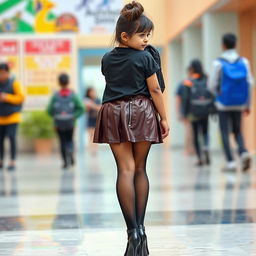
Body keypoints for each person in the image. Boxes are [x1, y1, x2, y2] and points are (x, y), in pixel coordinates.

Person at [93, 1, 169, 255]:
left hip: (113, 113)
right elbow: (155, 89)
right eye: (142, 35)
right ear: (125, 36)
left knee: (124, 170)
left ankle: (132, 232)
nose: (146, 39)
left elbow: (115, 81)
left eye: (148, 35)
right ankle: (142, 231)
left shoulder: (106, 59)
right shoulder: (146, 57)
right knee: (139, 169)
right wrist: (164, 118)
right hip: (142, 113)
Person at [208, 33, 254, 172]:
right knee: (237, 130)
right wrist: (248, 104)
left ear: (223, 45)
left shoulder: (218, 63)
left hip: (223, 103)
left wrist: (217, 94)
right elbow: (250, 82)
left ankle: (230, 163)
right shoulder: (244, 61)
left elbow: (211, 85)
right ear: (235, 44)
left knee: (224, 132)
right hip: (239, 102)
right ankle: (243, 152)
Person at [47, 73, 84, 169]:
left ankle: (65, 162)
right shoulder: (73, 95)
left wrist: (55, 116)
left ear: (59, 83)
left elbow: (49, 110)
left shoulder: (55, 96)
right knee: (70, 140)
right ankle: (70, 152)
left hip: (58, 123)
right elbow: (81, 108)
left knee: (62, 141)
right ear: (68, 82)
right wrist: (74, 116)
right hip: (70, 122)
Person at [181, 60, 212, 166]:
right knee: (205, 132)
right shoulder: (207, 78)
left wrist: (184, 114)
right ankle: (206, 147)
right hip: (205, 110)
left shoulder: (189, 81)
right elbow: (212, 93)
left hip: (193, 111)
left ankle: (200, 158)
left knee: (195, 134)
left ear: (192, 68)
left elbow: (185, 98)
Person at [0, 63, 24, 171]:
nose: (2, 75)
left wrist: (7, 97)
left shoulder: (14, 83)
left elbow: (21, 98)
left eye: (3, 73)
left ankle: (12, 161)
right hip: (1, 118)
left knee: (11, 138)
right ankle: (1, 161)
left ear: (8, 72)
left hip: (13, 116)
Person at [175, 74, 194, 155]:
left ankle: (188, 149)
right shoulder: (200, 81)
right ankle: (194, 149)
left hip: (187, 111)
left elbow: (178, 99)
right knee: (194, 131)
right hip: (198, 110)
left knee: (188, 131)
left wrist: (178, 113)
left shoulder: (182, 83)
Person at [84, 87, 101, 155]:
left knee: (95, 136)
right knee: (90, 136)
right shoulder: (86, 100)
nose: (92, 93)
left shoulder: (97, 99)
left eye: (93, 91)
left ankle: (95, 149)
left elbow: (100, 107)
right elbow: (85, 110)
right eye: (91, 92)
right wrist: (89, 106)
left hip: (96, 119)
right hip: (90, 120)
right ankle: (91, 150)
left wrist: (92, 105)